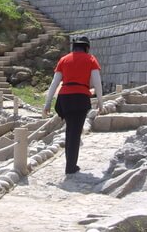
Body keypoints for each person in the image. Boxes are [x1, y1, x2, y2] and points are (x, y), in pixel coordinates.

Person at [42, 35, 103, 174]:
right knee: (75, 133)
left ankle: (70, 163)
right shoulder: (91, 59)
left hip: (64, 99)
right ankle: (70, 166)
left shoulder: (64, 60)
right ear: (86, 48)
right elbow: (97, 83)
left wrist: (47, 104)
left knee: (70, 130)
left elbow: (54, 83)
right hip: (81, 98)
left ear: (74, 46)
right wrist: (100, 102)